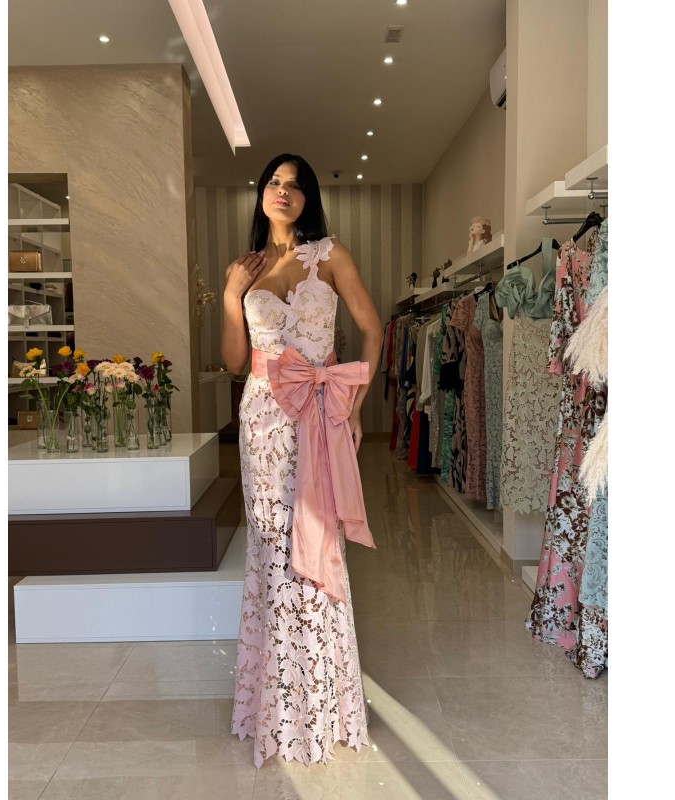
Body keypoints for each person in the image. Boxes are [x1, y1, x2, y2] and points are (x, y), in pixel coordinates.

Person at [222, 154, 383, 767]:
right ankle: (276, 703)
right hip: (263, 421)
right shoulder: (247, 268)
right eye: (274, 182)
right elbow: (234, 361)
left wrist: (356, 409)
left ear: (308, 197)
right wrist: (232, 295)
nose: (282, 191)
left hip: (318, 416)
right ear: (261, 194)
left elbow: (373, 331)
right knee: (270, 550)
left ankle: (320, 703)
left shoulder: (331, 254)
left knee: (318, 544)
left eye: (294, 185)